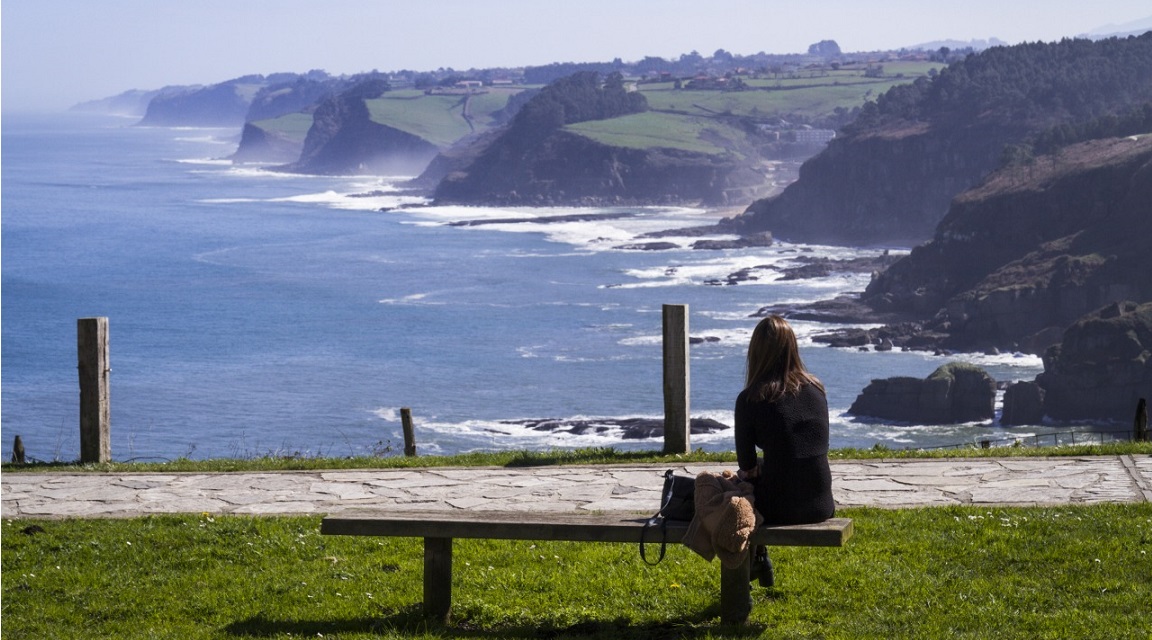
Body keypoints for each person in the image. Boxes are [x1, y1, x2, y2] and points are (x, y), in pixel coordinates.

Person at [735, 315, 835, 585]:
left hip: (780, 507)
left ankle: (752, 565)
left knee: (733, 490)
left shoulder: (751, 398)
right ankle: (759, 559)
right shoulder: (817, 389)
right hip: (822, 503)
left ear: (755, 351)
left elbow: (746, 465)